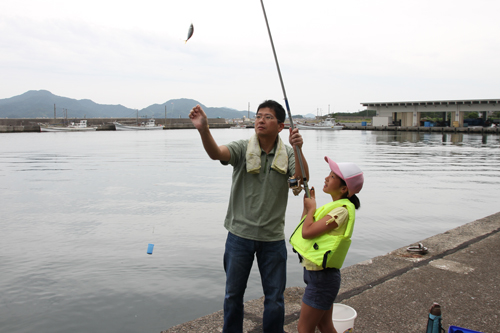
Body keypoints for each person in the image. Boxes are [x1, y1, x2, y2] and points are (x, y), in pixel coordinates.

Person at [189, 100, 309, 333]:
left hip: (272, 238)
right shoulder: (243, 148)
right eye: (258, 116)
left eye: (267, 117)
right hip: (239, 235)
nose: (260, 120)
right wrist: (204, 129)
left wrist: (298, 148)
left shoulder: (287, 154)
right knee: (233, 295)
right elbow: (217, 153)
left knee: (275, 298)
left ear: (281, 126)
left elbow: (301, 178)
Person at [289, 157, 364, 333]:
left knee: (304, 328)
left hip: (322, 279)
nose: (326, 178)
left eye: (331, 177)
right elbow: (304, 229)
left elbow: (307, 232)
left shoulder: (342, 211)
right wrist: (307, 207)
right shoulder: (334, 207)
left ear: (344, 188)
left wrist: (313, 208)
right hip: (317, 276)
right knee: (325, 325)